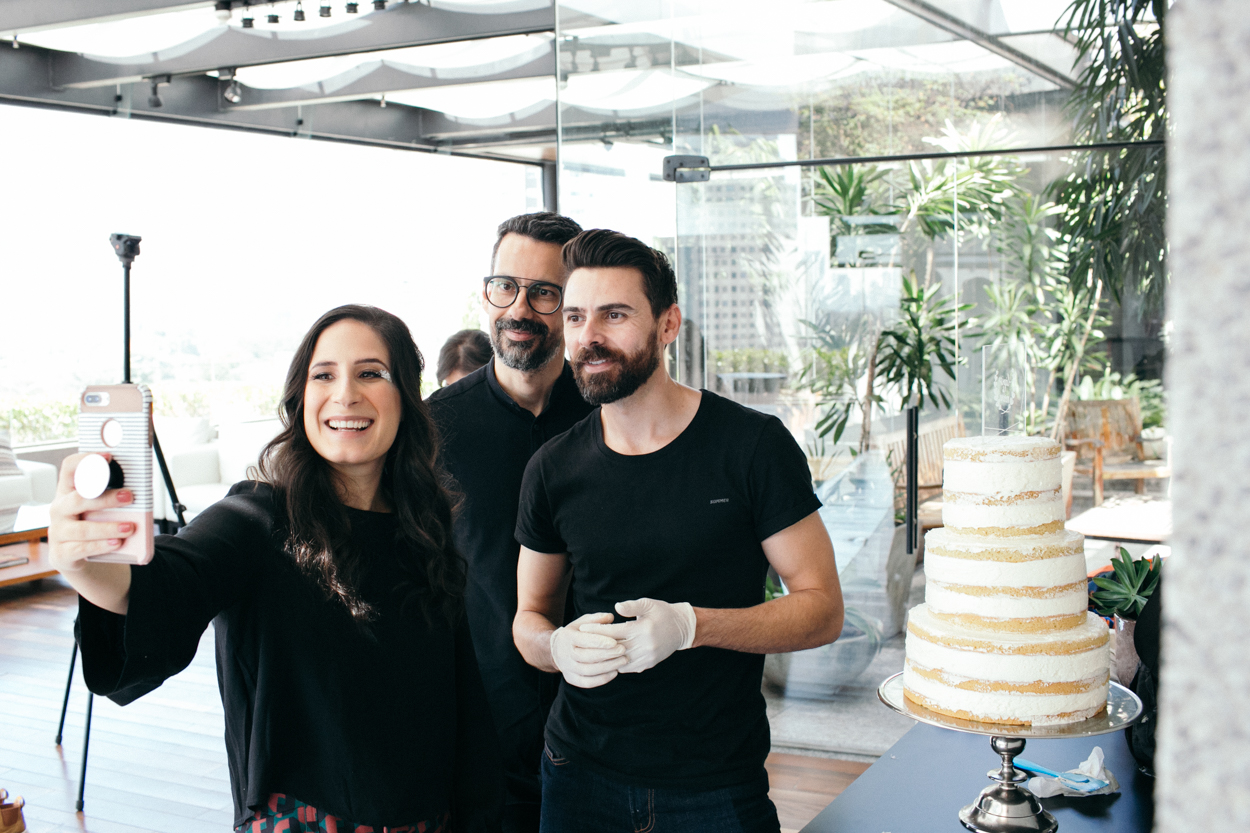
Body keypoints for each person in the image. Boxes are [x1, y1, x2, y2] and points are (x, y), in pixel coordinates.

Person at [49, 304, 503, 833]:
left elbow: (461, 700)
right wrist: (85, 563)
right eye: (323, 375)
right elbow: (166, 585)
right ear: (300, 399)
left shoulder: (425, 527)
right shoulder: (257, 518)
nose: (345, 394)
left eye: (371, 373)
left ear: (405, 396)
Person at [512, 229, 844, 833]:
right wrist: (555, 647)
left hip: (715, 784)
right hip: (577, 774)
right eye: (577, 316)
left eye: (614, 315)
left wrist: (693, 626)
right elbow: (527, 619)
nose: (589, 337)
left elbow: (822, 610)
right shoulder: (552, 469)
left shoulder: (751, 447)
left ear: (668, 324)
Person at [426, 212, 591, 833]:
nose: (519, 308)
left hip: (606, 724)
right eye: (506, 287)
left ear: (573, 306)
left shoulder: (613, 414)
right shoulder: (431, 428)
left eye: (545, 292)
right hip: (480, 734)